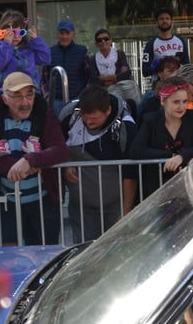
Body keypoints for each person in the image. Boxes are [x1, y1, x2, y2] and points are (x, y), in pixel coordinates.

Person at [0, 72, 67, 245]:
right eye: (18, 96)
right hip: (6, 201)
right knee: (8, 257)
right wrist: (13, 166)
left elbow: (60, 150)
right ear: (5, 99)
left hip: (42, 200)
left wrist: (30, 160)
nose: (25, 102)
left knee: (44, 256)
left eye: (29, 95)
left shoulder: (46, 115)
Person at [59, 84, 137, 242]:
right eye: (85, 116)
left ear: (108, 111)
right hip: (81, 206)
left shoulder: (125, 127)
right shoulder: (69, 115)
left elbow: (131, 172)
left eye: (94, 118)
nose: (88, 121)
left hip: (115, 205)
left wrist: (125, 212)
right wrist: (65, 163)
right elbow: (56, 144)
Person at [130, 76, 193, 198]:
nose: (181, 107)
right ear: (163, 101)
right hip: (158, 189)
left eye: (184, 101)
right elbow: (136, 150)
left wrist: (182, 157)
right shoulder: (150, 120)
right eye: (176, 102)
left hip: (190, 187)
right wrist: (170, 157)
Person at [0, 9, 51, 93]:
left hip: (30, 91)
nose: (16, 36)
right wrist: (6, 45)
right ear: (3, 32)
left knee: (41, 104)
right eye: (12, 33)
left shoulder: (29, 49)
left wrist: (36, 41)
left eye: (20, 32)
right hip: (7, 92)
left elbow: (46, 59)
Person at [88, 29, 140, 110]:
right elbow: (94, 79)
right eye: (99, 40)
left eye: (106, 39)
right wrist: (117, 76)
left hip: (125, 89)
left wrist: (105, 78)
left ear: (111, 41)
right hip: (106, 92)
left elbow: (126, 74)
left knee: (133, 107)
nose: (103, 41)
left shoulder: (119, 54)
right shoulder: (93, 59)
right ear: (96, 44)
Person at [46, 19, 89, 116]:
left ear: (73, 34)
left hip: (76, 99)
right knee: (56, 128)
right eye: (61, 33)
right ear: (57, 34)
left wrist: (83, 95)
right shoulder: (50, 52)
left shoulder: (82, 51)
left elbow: (89, 76)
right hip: (55, 100)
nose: (64, 36)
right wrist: (47, 95)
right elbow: (45, 76)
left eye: (67, 33)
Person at [141, 8, 188, 85]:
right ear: (157, 22)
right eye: (161, 19)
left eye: (167, 18)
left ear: (172, 21)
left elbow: (187, 66)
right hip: (159, 84)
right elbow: (145, 71)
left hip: (178, 84)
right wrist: (161, 65)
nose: (165, 21)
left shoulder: (180, 41)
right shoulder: (151, 43)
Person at [136, 55, 181, 123]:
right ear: (160, 73)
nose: (175, 75)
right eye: (170, 71)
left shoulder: (186, 94)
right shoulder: (149, 98)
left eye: (177, 71)